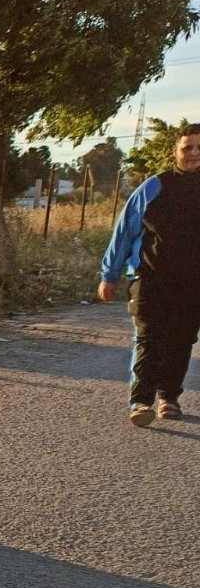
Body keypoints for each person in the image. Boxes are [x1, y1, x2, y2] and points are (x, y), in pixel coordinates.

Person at [99, 125, 200, 426]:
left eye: (199, 147)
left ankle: (169, 397)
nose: (194, 153)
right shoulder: (155, 187)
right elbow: (124, 232)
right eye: (187, 147)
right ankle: (141, 401)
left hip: (194, 283)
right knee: (149, 338)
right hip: (151, 277)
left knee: (182, 340)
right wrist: (110, 274)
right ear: (176, 151)